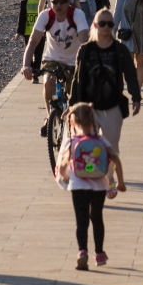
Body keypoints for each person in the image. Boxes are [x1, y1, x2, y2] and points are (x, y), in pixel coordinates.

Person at [70, 9, 142, 197]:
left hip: (112, 106)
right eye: (102, 23)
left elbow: (131, 75)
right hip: (88, 108)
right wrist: (72, 106)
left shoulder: (120, 50)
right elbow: (77, 80)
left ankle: (109, 179)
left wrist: (136, 97)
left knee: (111, 147)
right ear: (95, 25)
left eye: (110, 24)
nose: (106, 27)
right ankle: (91, 181)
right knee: (87, 146)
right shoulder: (85, 50)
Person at [55, 102, 126, 270]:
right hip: (99, 187)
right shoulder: (101, 141)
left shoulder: (71, 143)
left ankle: (82, 252)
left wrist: (64, 177)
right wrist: (119, 181)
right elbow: (115, 159)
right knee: (97, 218)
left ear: (73, 122)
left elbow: (64, 164)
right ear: (93, 120)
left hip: (78, 186)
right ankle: (99, 253)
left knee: (82, 221)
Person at [22, 0, 90, 136]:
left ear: (69, 2)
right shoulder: (46, 16)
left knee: (76, 95)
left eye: (62, 2)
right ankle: (49, 115)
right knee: (48, 82)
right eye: (54, 2)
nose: (58, 5)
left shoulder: (77, 15)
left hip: (74, 60)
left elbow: (85, 39)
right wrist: (26, 65)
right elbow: (33, 41)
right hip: (52, 58)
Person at [15, 0, 46, 82]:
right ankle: (31, 69)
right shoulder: (25, 3)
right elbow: (22, 18)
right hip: (28, 33)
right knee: (29, 53)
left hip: (41, 33)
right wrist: (19, 32)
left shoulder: (44, 2)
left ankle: (36, 74)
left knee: (38, 54)